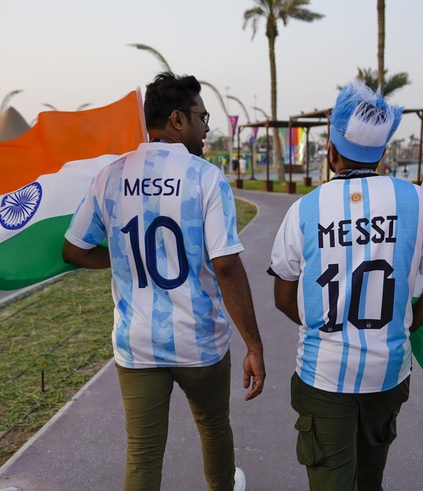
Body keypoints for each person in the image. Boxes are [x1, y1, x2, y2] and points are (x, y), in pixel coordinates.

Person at [63, 72, 265, 491]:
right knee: (214, 429)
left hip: (137, 343)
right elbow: (226, 267)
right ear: (177, 120)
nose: (207, 127)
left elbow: (75, 249)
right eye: (202, 116)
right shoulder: (205, 177)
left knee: (142, 451)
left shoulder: (110, 176)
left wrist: (121, 260)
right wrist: (254, 344)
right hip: (200, 341)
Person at [268, 81, 423, 491]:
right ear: (382, 152)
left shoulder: (305, 209)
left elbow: (283, 295)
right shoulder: (415, 201)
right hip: (388, 373)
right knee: (370, 479)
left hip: (324, 376)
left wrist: (320, 325)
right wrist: (407, 325)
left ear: (332, 152)